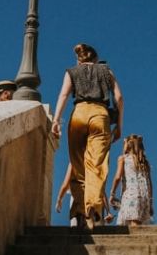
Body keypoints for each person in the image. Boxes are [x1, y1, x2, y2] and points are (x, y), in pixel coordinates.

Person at [51, 43, 124, 230]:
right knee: (97, 165)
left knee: (78, 165)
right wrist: (119, 125)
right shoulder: (106, 71)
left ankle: (78, 209)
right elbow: (119, 98)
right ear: (95, 58)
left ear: (80, 58)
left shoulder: (71, 71)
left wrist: (56, 120)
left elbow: (64, 95)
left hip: (78, 114)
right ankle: (92, 207)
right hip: (100, 114)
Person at [109, 134, 154, 226]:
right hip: (144, 197)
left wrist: (112, 193)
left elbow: (117, 177)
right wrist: (150, 203)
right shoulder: (144, 162)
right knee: (138, 225)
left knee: (132, 228)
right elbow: (150, 184)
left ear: (127, 145)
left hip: (131, 195)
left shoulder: (123, 159)